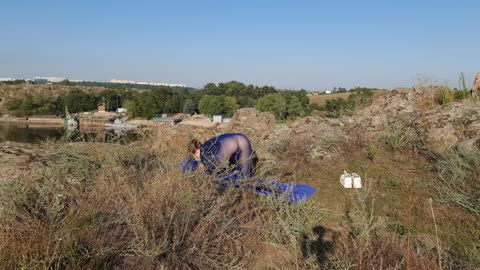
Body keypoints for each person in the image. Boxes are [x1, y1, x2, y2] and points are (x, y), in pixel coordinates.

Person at [181, 133, 255, 179]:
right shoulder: (209, 143)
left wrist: (204, 168)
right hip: (243, 138)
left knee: (212, 174)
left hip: (228, 143)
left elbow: (213, 168)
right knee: (246, 178)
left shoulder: (204, 151)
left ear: (195, 151)